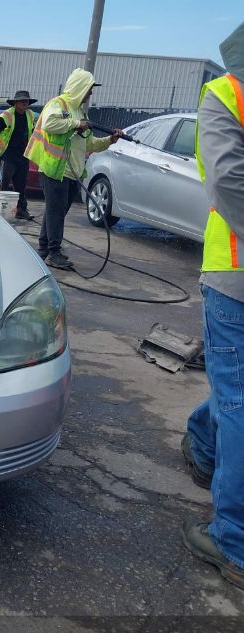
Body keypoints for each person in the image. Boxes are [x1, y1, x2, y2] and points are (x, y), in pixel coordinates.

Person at [181, 19, 244, 591]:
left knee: (239, 397)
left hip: (235, 274)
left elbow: (225, 180)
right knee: (234, 385)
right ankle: (201, 444)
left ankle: (235, 541)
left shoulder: (227, 93)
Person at [24, 69, 123, 269]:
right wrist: (76, 123)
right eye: (89, 89)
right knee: (55, 213)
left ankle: (44, 250)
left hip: (72, 173)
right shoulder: (58, 104)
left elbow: (89, 144)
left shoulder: (80, 112)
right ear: (79, 87)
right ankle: (54, 253)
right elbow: (49, 124)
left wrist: (110, 140)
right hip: (55, 171)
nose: (91, 93)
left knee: (56, 212)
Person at [0, 90, 37, 221]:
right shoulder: (6, 116)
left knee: (21, 185)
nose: (25, 104)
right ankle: (0, 210)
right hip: (8, 154)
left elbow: (33, 131)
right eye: (22, 101)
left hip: (23, 155)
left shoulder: (30, 115)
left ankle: (21, 210)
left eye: (26, 101)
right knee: (4, 184)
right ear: (15, 103)